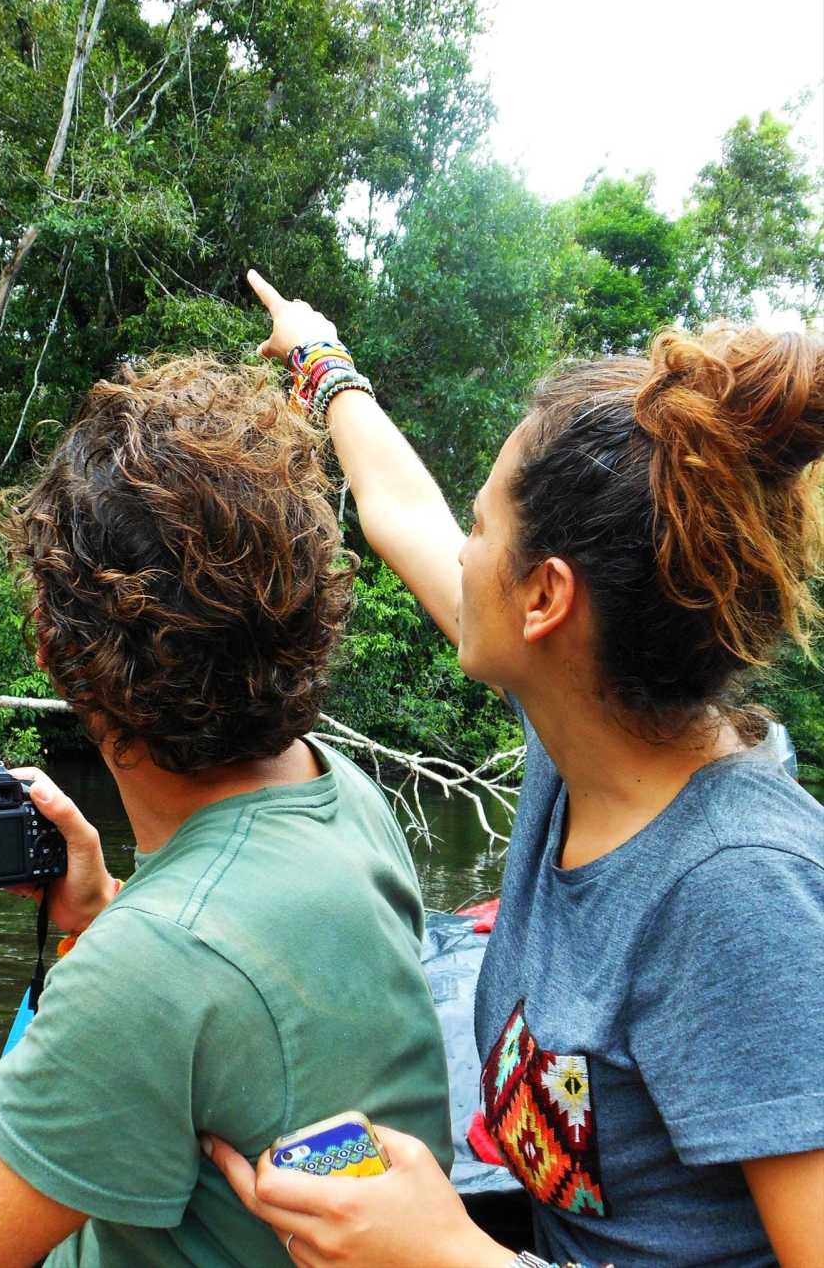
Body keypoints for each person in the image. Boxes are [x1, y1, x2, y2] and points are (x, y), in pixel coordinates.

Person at [204, 273, 824, 1268]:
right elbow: (400, 513)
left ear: (544, 600)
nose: (462, 548)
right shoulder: (577, 734)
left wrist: (448, 1254)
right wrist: (321, 361)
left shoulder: (739, 895)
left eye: (482, 526)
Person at [0, 354, 453, 1268]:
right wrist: (102, 913)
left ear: (57, 650)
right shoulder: (340, 787)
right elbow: (227, 1006)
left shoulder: (156, 965)